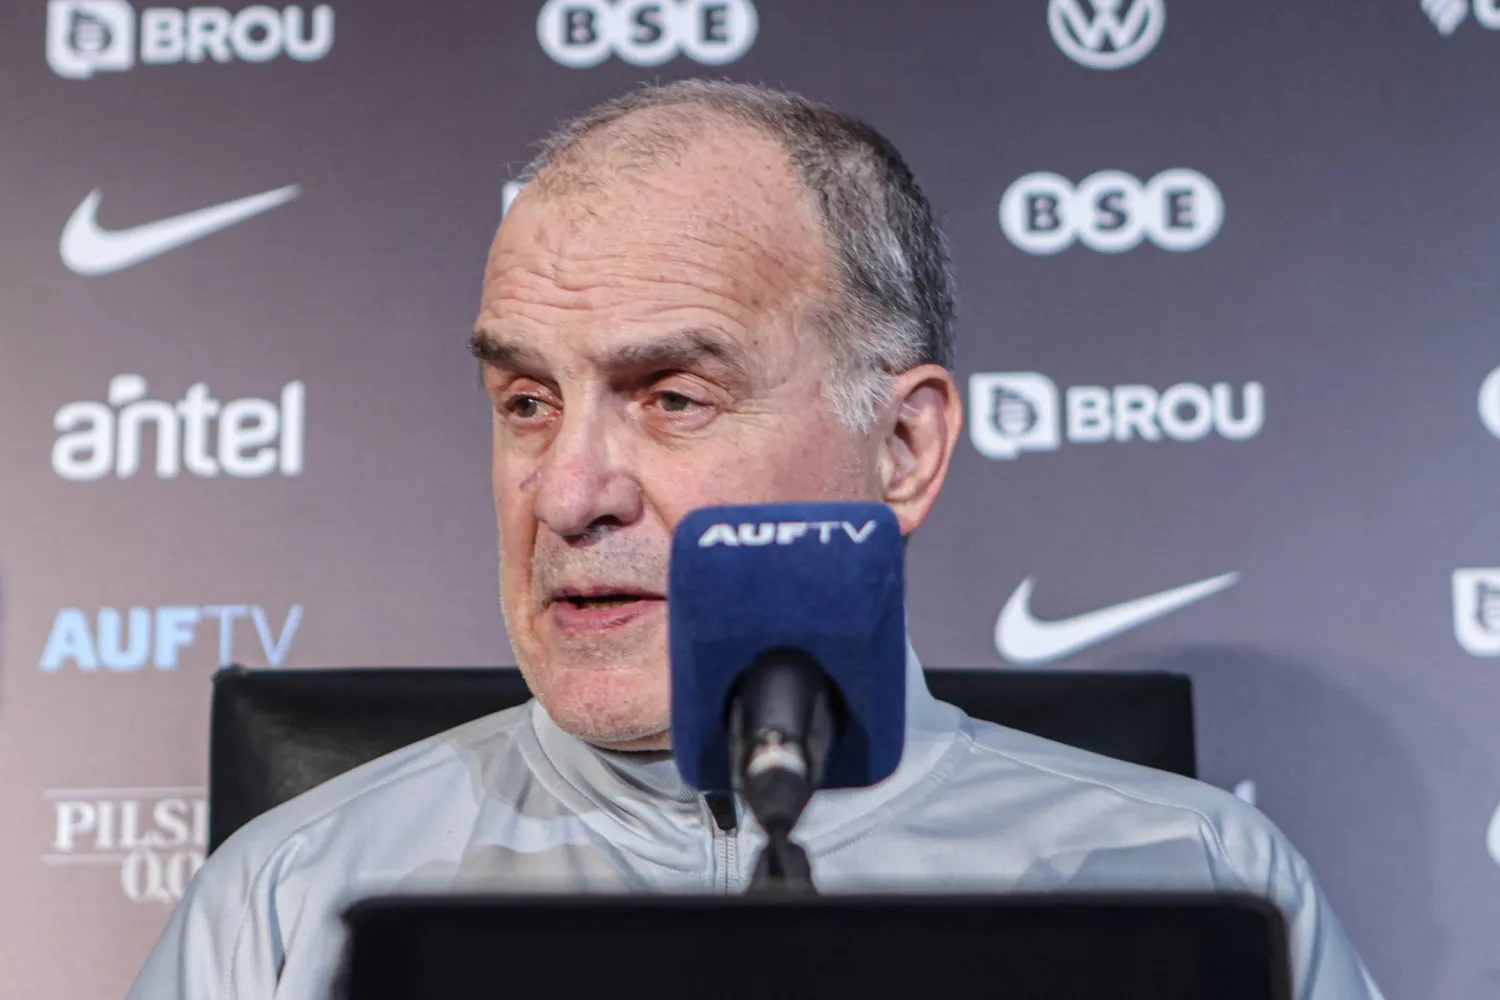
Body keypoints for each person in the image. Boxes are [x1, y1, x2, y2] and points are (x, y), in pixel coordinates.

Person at [126, 80, 1383, 1000]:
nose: (569, 494)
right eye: (525, 403)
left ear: (903, 448)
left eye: (673, 397)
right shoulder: (284, 904)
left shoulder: (1199, 871)